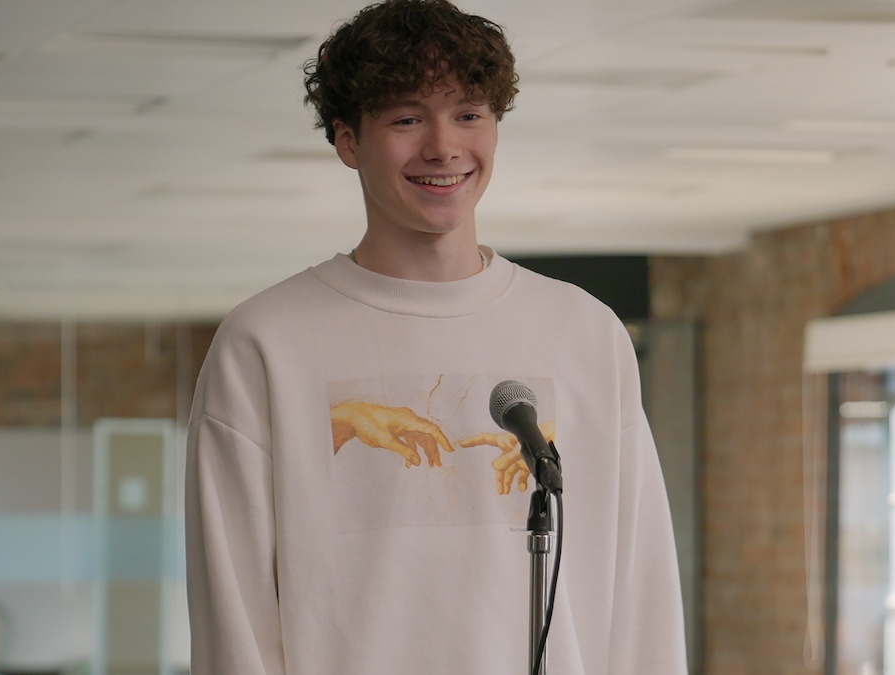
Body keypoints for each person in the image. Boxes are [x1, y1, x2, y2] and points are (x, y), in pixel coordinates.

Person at [184, 1, 687, 673]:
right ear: (348, 140)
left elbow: (641, 588)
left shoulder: (585, 332)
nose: (444, 146)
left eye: (469, 114)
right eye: (407, 118)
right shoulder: (267, 342)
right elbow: (234, 615)